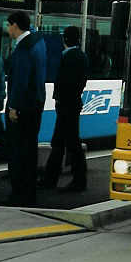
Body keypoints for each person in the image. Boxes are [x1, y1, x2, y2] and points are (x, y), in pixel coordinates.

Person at [4, 11, 47, 206]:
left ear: (14, 25)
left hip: (22, 108)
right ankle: (29, 194)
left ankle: (18, 195)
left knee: (18, 152)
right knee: (29, 152)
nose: (7, 29)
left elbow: (20, 81)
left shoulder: (24, 48)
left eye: (8, 25)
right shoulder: (39, 42)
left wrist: (13, 107)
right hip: (35, 105)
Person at [40, 26, 88, 191]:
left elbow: (65, 82)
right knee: (61, 141)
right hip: (72, 103)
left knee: (69, 142)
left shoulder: (68, 57)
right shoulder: (81, 56)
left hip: (67, 104)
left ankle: (76, 180)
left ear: (64, 39)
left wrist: (59, 98)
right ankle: (51, 178)